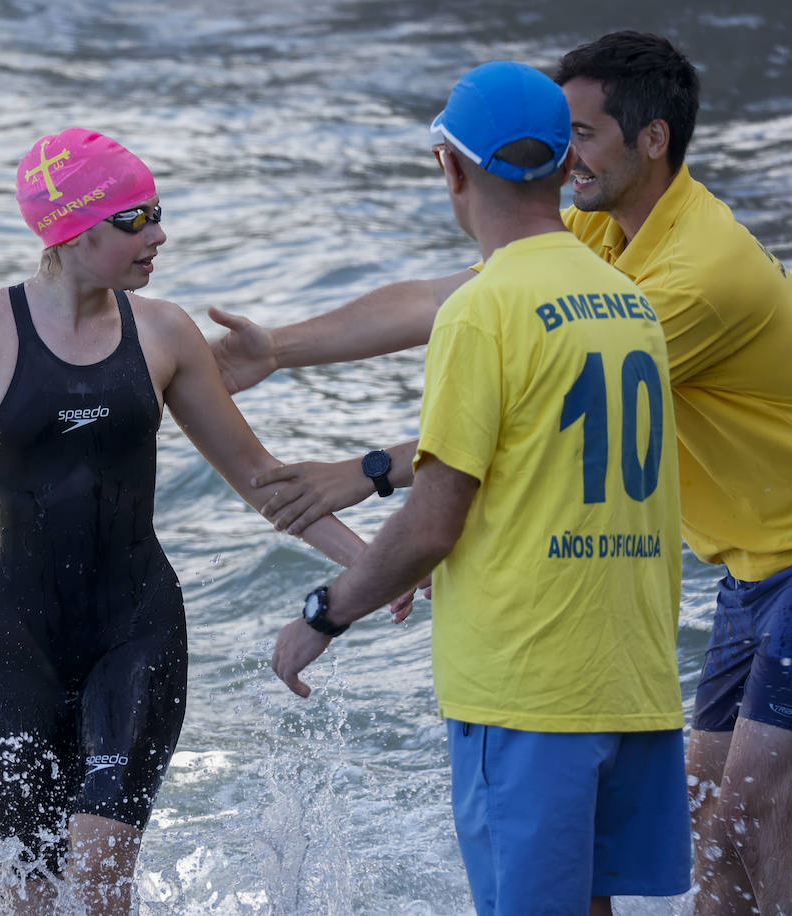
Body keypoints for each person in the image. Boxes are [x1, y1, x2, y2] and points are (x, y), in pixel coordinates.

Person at [223, 31, 792, 916]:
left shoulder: (696, 274)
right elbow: (439, 297)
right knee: (716, 813)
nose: (570, 160)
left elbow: (542, 414)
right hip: (754, 566)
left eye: (586, 135)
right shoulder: (603, 228)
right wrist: (278, 348)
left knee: (758, 811)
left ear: (653, 140)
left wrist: (363, 475)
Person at [0, 127, 365, 915]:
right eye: (137, 218)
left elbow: (260, 479)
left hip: (135, 633)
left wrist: (370, 563)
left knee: (102, 884)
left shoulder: (165, 332)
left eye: (159, 213)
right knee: (30, 894)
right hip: (16, 640)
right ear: (74, 228)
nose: (160, 236)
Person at [271, 60, 689, 915]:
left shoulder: (483, 309)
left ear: (450, 168)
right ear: (560, 167)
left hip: (528, 689)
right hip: (631, 680)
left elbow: (432, 523)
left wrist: (326, 612)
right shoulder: (626, 299)